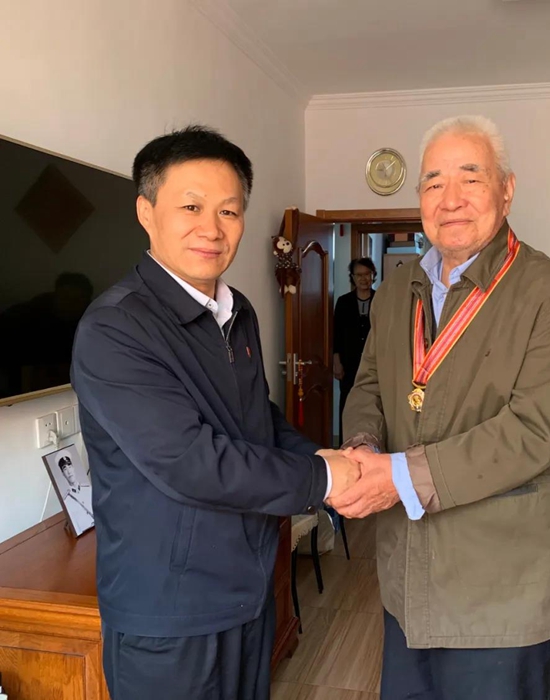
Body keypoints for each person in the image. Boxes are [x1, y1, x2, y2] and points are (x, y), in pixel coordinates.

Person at [70, 125, 360, 700]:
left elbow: (256, 419)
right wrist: (324, 479)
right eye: (191, 207)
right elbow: (190, 461)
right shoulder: (115, 328)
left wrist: (325, 457)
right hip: (170, 614)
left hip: (246, 591)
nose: (212, 228)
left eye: (229, 210)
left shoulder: (236, 310)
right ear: (146, 212)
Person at [330, 115, 550, 700]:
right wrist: (363, 449)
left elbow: (535, 430)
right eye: (433, 182)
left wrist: (398, 477)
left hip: (504, 593)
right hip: (408, 579)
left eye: (470, 178)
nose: (449, 199)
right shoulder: (397, 290)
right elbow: (370, 384)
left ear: (507, 189)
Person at [333, 257, 377, 442]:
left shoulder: (381, 299)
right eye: (359, 275)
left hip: (375, 364)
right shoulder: (344, 302)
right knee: (348, 404)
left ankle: (372, 444)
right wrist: (336, 361)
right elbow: (336, 333)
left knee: (373, 404)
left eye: (367, 274)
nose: (363, 278)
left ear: (373, 275)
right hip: (348, 364)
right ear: (352, 277)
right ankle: (346, 443)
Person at [57, 451, 94, 533]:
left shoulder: (88, 489)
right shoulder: (67, 501)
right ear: (63, 473)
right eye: (65, 469)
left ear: (73, 468)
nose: (69, 471)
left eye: (69, 466)